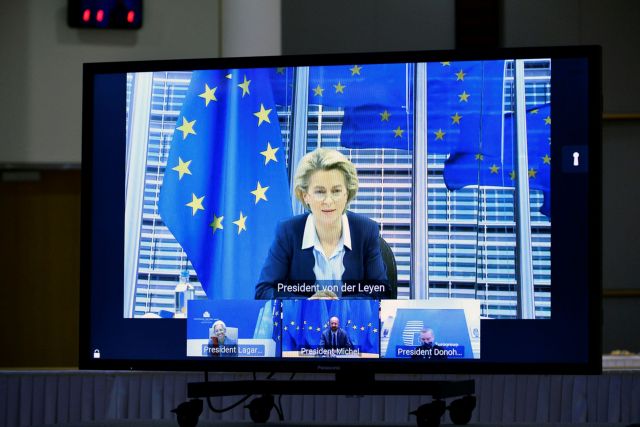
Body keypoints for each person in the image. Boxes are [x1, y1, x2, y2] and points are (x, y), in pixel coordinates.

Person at [255, 148, 388, 299]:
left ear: (347, 194)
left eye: (336, 191)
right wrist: (309, 304)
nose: (328, 201)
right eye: (320, 192)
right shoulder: (288, 231)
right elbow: (264, 291)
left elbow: (382, 291)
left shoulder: (366, 230)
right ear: (306, 196)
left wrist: (339, 305)